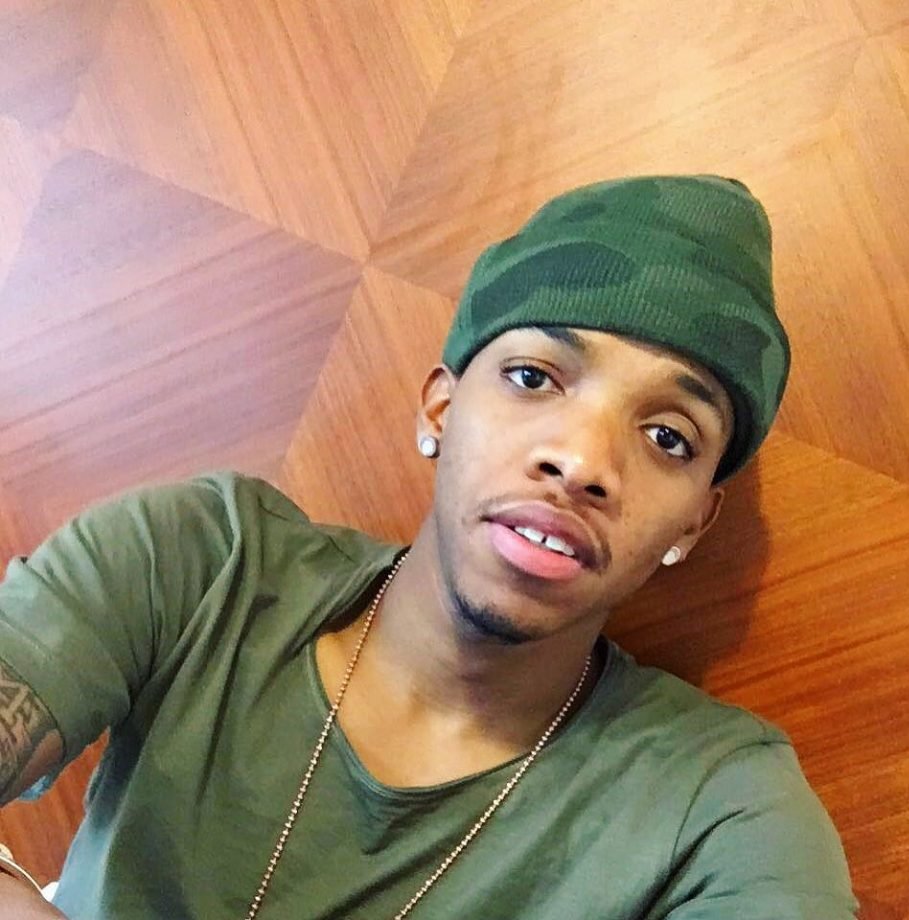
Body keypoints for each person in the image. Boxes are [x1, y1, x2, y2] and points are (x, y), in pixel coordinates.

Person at [0, 175, 857, 919]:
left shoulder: (716, 807)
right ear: (441, 410)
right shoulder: (206, 563)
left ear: (692, 524)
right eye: (534, 378)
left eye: (669, 436)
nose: (582, 462)